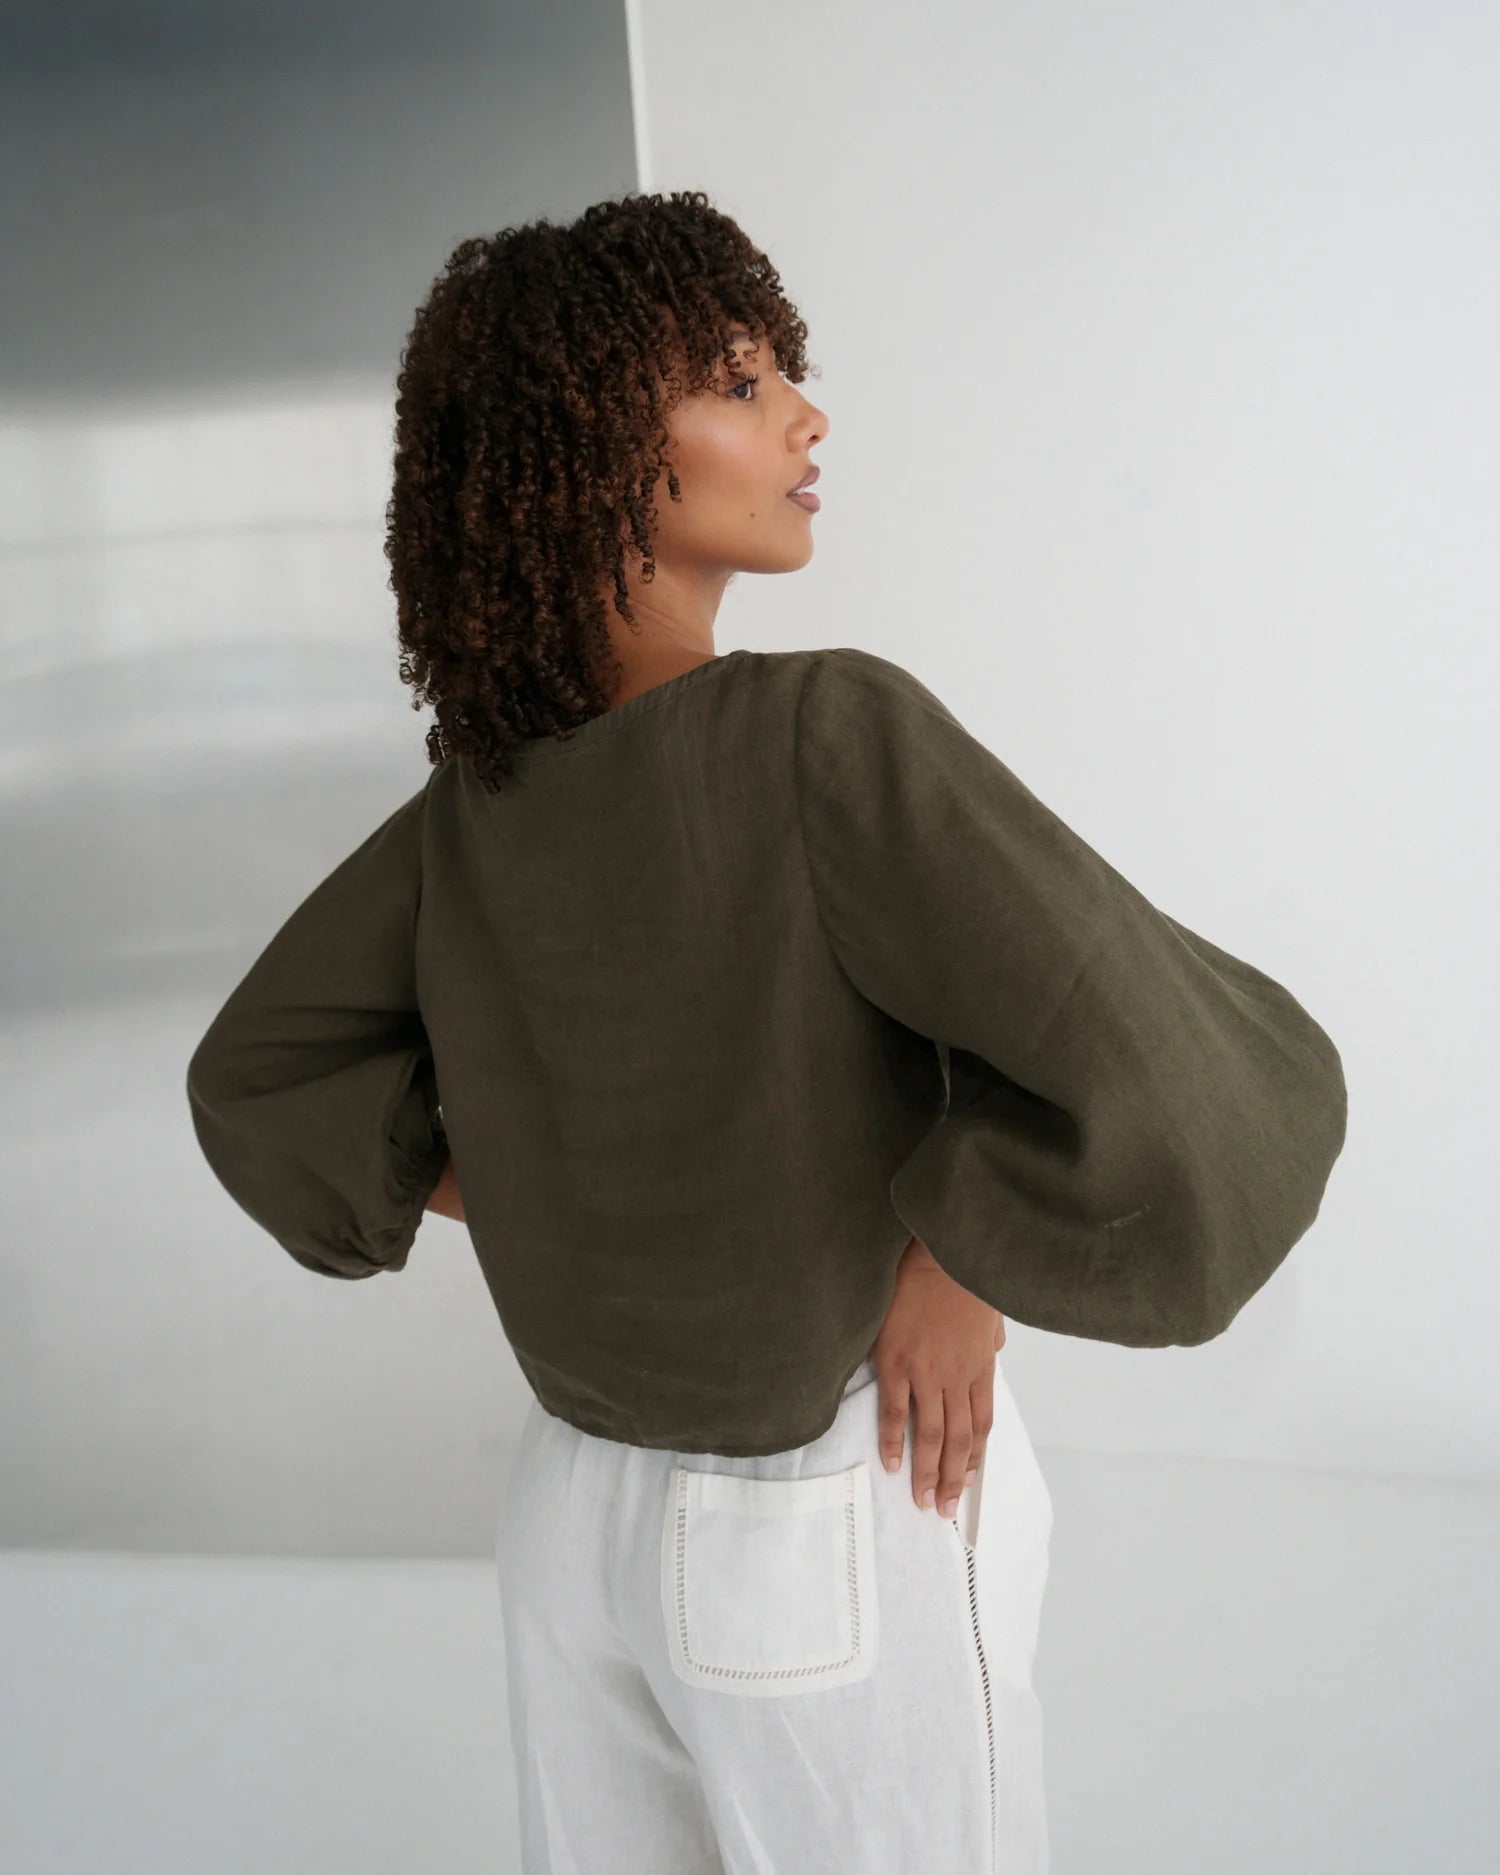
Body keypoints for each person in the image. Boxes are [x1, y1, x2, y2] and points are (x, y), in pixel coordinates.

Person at [185, 190, 1349, 1875]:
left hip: (567, 1524)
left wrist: (545, 1190)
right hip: (835, 1507)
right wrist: (968, 1252)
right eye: (738, 382)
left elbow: (261, 1075)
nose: (805, 417)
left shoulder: (476, 813)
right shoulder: (822, 733)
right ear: (590, 450)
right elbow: (1187, 1057)